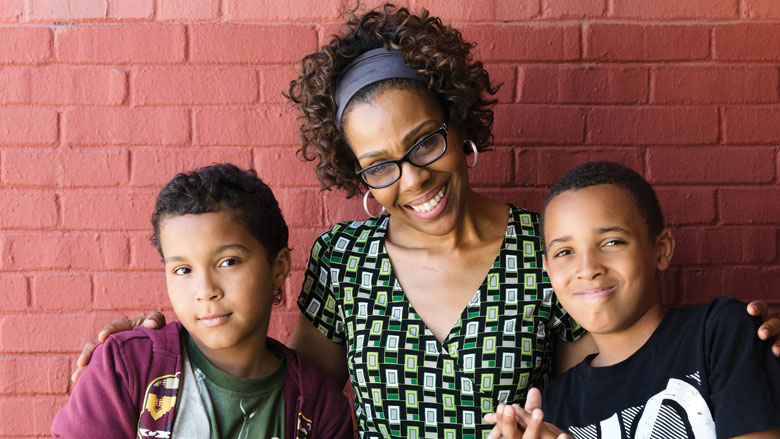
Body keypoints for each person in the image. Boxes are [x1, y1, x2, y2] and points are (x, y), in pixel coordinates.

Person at [70, 4, 780, 439]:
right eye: (379, 166)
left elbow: (601, 388)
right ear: (356, 176)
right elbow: (292, 392)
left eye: (425, 143)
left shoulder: (548, 250)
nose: (411, 178)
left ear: (456, 120)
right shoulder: (343, 260)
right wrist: (162, 347)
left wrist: (742, 347)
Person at [52, 164, 353, 439]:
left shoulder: (319, 407)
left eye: (228, 262)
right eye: (183, 270)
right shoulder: (127, 367)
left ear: (279, 268)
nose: (205, 290)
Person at [485, 161, 780, 439]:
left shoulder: (719, 333)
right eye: (565, 252)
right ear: (548, 271)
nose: (588, 268)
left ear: (661, 250)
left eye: (612, 242)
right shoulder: (555, 405)